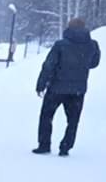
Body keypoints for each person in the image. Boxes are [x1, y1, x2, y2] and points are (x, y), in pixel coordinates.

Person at [35, 18, 102, 156]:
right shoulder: (92, 45)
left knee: (46, 116)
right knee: (73, 120)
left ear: (69, 28)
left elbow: (49, 65)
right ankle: (65, 147)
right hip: (78, 90)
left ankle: (44, 145)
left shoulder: (61, 45)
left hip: (56, 88)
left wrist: (41, 84)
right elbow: (94, 63)